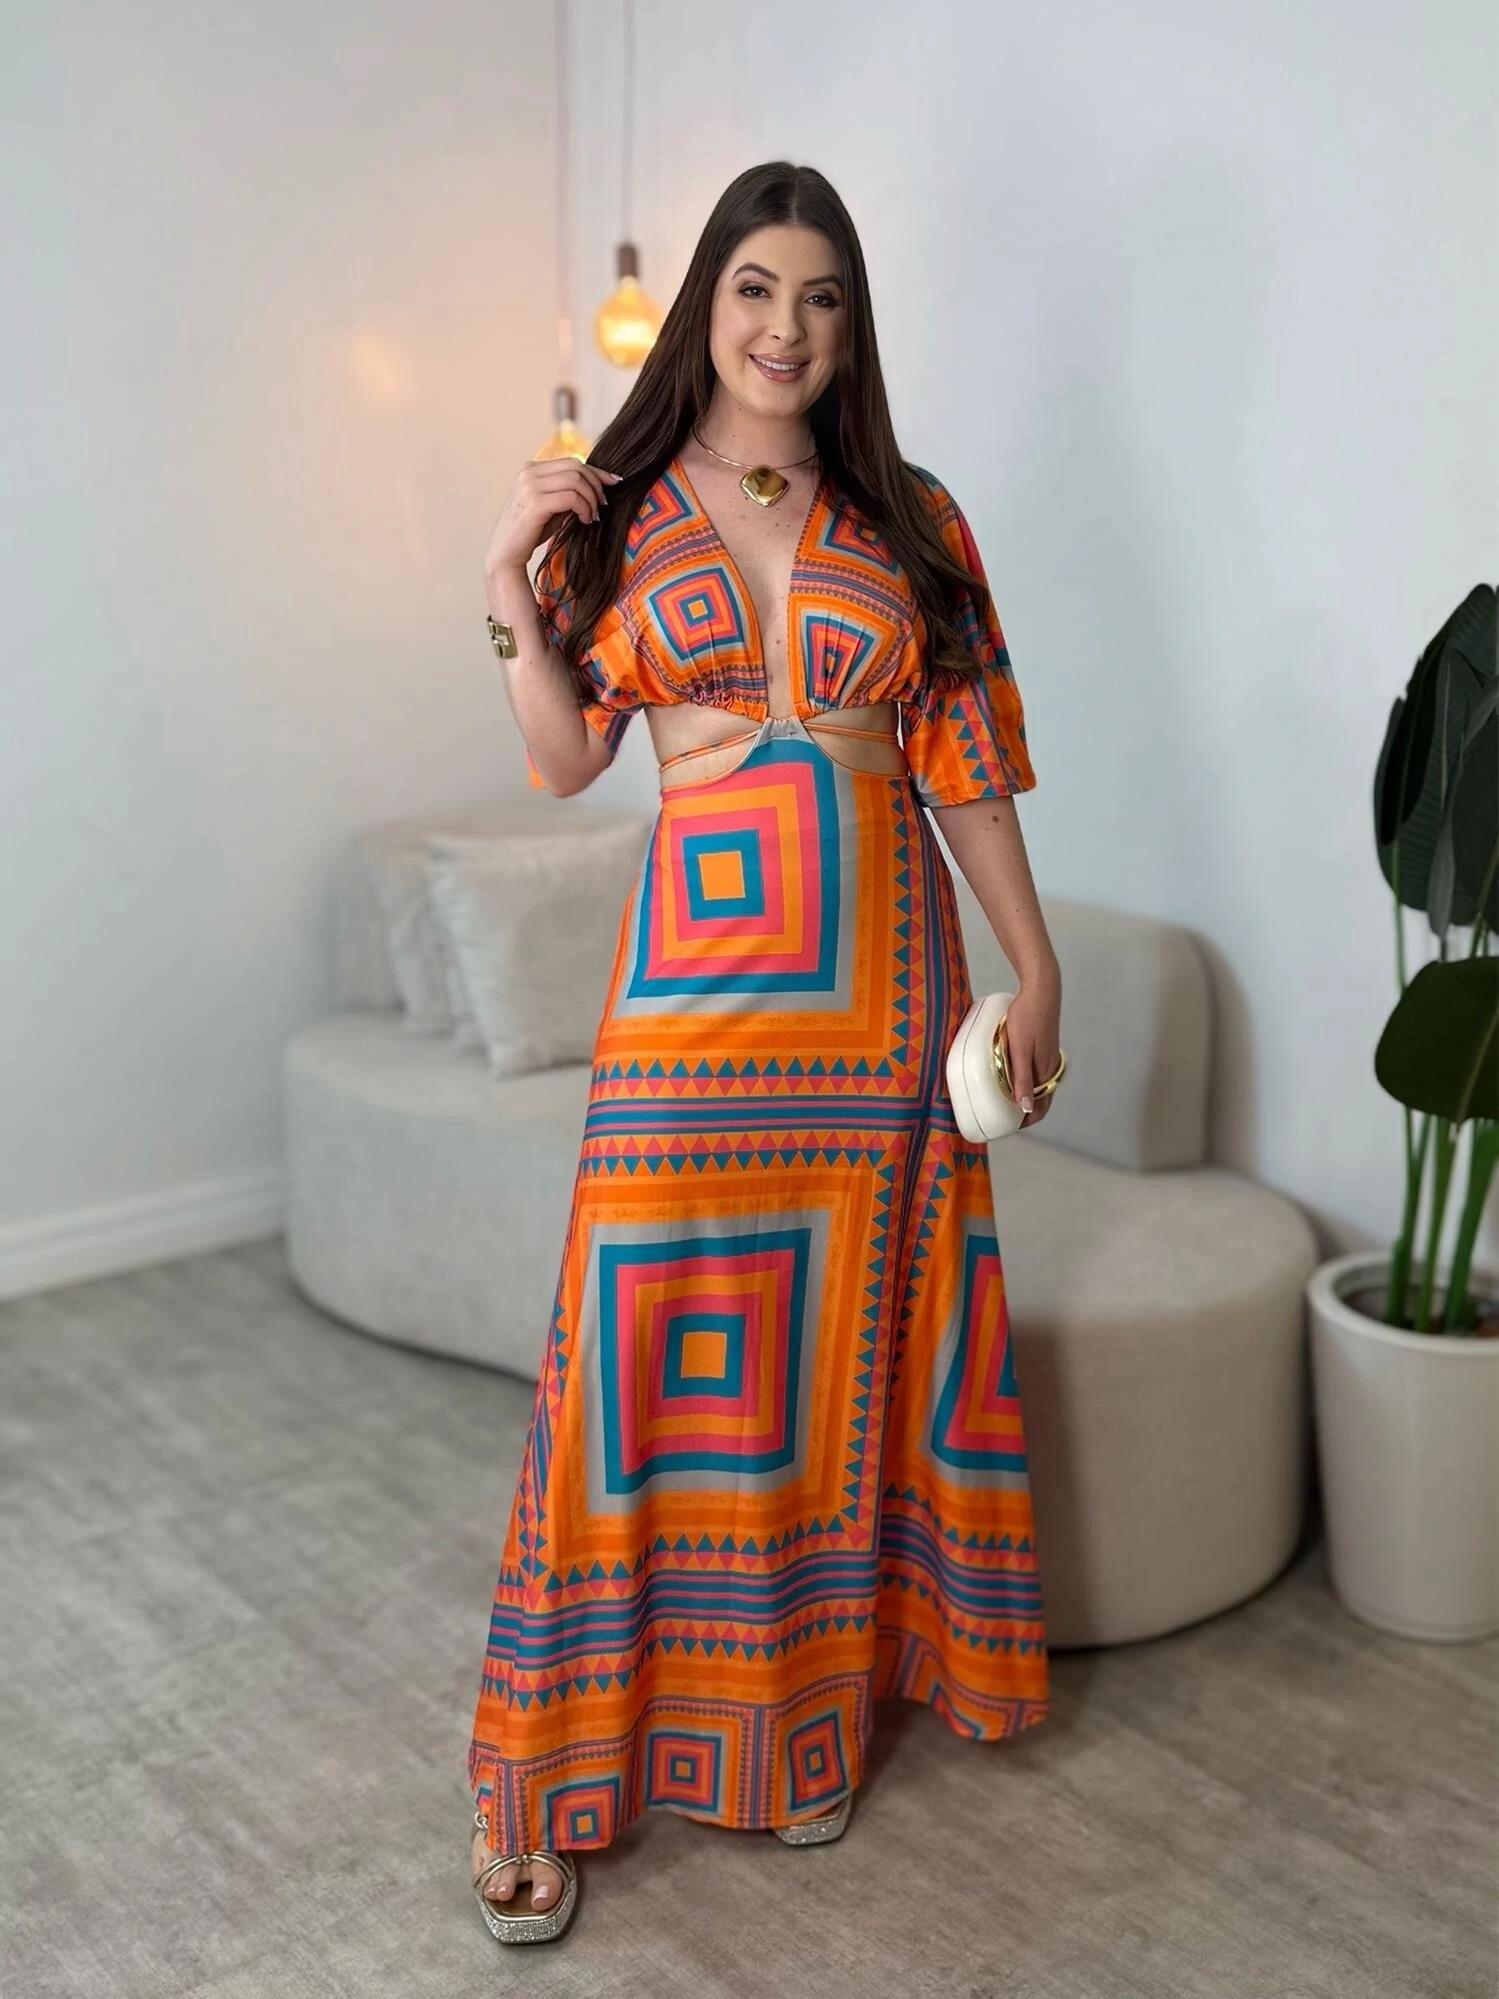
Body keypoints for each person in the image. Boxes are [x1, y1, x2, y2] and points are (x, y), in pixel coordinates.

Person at [468, 158, 1063, 1946]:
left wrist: (1033, 967)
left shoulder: (916, 516)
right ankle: (533, 1776)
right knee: (626, 1363)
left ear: (848, 327)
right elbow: (564, 758)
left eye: (818, 297)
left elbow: (966, 766)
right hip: (693, 996)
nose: (783, 328)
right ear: (706, 305)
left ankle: (797, 1724)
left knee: (836, 1366)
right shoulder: (618, 508)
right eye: (753, 289)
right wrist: (503, 572)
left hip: (880, 998)